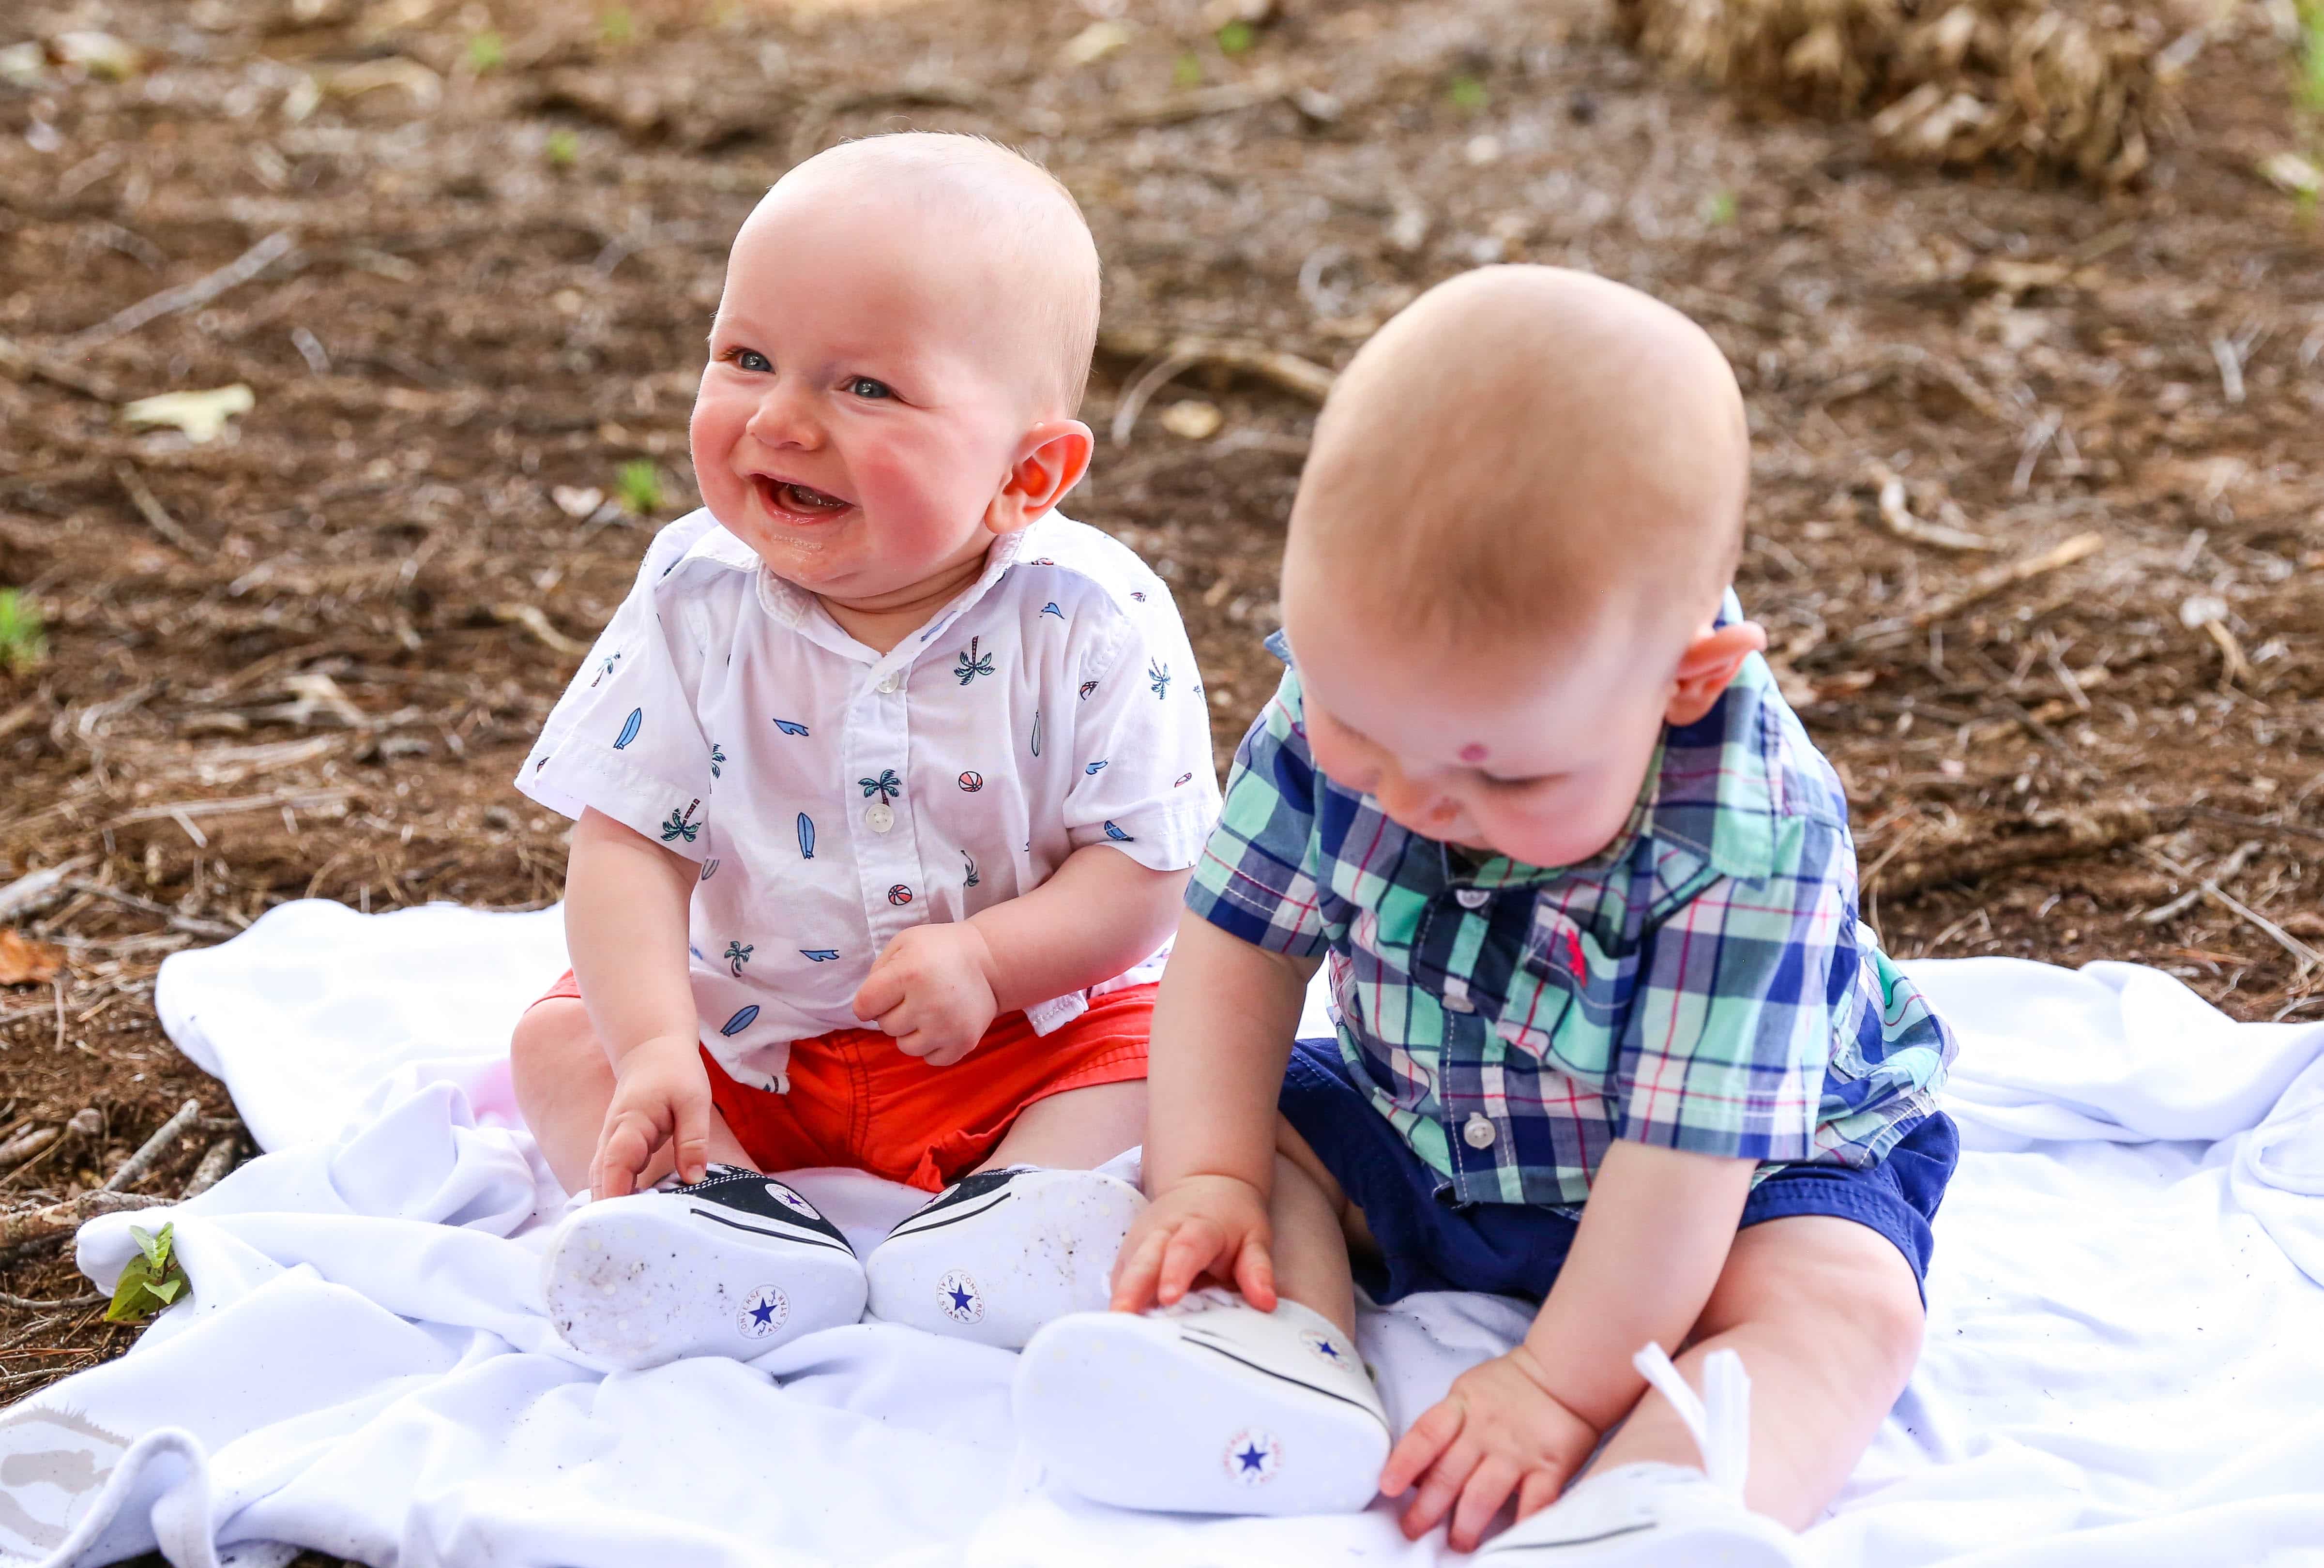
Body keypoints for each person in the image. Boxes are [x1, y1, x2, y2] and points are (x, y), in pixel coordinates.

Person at [1013, 266, 1958, 1563]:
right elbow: (1237, 947)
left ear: (1682, 685)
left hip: (1741, 1182)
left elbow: (1686, 1164)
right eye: (1358, 728)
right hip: (1428, 1121)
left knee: (1846, 1306)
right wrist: (1214, 1174)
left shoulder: (1749, 836)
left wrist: (1554, 1387)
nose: (1410, 796)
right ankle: (1272, 1364)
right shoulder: (1359, 702)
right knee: (1234, 1122)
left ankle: (1663, 1506)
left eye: (1502, 774)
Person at [508, 132, 1218, 1371]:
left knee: (1181, 1055)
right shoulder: (696, 594)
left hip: (1011, 1047)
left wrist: (993, 962)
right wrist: (659, 1046)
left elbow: (1146, 870)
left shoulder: (1089, 619)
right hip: (749, 1043)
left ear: (1027, 472)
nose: (780, 419)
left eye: (866, 389)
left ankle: (1016, 1220)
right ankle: (720, 1214)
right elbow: (627, 839)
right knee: (562, 1043)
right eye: (746, 359)